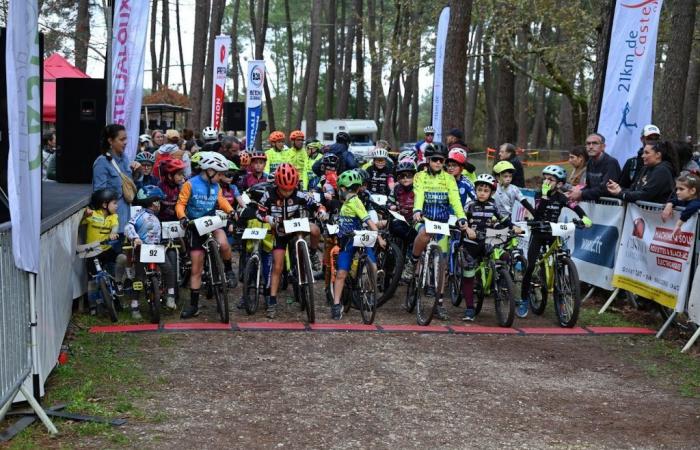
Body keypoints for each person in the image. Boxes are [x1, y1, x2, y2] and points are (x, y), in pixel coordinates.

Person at [254, 164, 327, 318]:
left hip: (296, 228)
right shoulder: (269, 195)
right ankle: (272, 302)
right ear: (277, 185)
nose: (287, 192)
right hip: (280, 232)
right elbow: (259, 212)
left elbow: (316, 205)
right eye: (283, 189)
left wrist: (321, 211)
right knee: (278, 267)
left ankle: (313, 254)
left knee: (315, 230)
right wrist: (268, 218)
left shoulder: (300, 194)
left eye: (290, 189)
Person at [521, 165, 592, 317]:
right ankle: (524, 299)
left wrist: (584, 217)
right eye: (545, 178)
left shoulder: (561, 197)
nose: (546, 181)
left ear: (559, 184)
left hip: (553, 231)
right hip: (538, 232)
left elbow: (574, 206)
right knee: (531, 265)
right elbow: (538, 213)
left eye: (551, 179)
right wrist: (545, 196)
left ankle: (560, 285)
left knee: (563, 254)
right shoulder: (540, 194)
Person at [411, 143, 469, 320]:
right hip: (425, 219)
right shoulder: (420, 176)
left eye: (441, 160)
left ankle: (440, 303)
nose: (438, 162)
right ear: (428, 160)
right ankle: (414, 258)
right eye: (434, 159)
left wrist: (461, 217)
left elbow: (455, 200)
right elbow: (419, 193)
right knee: (425, 234)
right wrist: (417, 210)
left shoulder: (449, 179)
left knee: (442, 265)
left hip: (442, 223)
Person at [176, 152, 237, 319]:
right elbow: (181, 203)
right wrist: (182, 217)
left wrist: (231, 211)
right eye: (220, 174)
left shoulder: (216, 186)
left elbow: (222, 200)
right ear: (209, 171)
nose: (222, 177)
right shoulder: (190, 184)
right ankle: (194, 305)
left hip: (211, 221)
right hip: (195, 225)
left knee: (224, 244)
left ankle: (229, 271)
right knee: (196, 267)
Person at [461, 174, 522, 321]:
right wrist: (467, 229)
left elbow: (504, 219)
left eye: (486, 190)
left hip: (489, 237)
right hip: (472, 241)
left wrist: (514, 227)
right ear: (475, 190)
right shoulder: (469, 205)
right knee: (468, 273)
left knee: (505, 256)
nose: (482, 193)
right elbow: (461, 220)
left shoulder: (493, 205)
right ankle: (469, 308)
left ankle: (503, 284)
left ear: (492, 193)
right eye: (479, 189)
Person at [331, 170, 386, 320]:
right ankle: (338, 303)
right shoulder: (347, 202)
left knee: (342, 272)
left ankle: (339, 302)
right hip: (350, 239)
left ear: (342, 189)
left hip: (356, 238)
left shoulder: (354, 201)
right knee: (344, 272)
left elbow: (368, 221)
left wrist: (379, 237)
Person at [125, 185, 177, 318]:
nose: (159, 205)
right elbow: (128, 226)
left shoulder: (155, 216)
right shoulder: (140, 215)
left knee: (168, 269)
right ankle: (134, 306)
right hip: (142, 249)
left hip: (155, 249)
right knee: (139, 278)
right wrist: (135, 238)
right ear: (153, 203)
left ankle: (170, 296)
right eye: (158, 202)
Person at [82, 189, 127, 315]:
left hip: (106, 250)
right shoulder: (93, 215)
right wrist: (85, 214)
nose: (117, 206)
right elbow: (82, 219)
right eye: (114, 203)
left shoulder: (113, 216)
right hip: (92, 252)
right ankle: (92, 306)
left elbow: (115, 226)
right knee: (92, 280)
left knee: (122, 258)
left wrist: (113, 233)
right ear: (104, 205)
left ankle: (118, 283)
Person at [92, 124, 140, 233]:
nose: (125, 142)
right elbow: (99, 194)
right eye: (122, 139)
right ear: (110, 141)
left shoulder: (125, 158)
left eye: (126, 139)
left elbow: (131, 183)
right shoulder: (101, 162)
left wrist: (137, 171)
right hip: (113, 225)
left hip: (127, 218)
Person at [606, 141, 677, 204]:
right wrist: (619, 189)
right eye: (643, 153)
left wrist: (621, 194)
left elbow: (646, 195)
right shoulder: (645, 168)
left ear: (658, 155)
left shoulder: (662, 170)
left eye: (647, 153)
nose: (643, 156)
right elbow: (633, 190)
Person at [567, 133, 621, 202]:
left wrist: (581, 193)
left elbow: (606, 189)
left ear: (603, 147)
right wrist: (573, 193)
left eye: (595, 143)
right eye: (588, 144)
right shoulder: (590, 162)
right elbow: (588, 186)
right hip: (594, 204)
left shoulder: (611, 162)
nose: (591, 146)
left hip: (611, 205)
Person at [388, 159, 418, 280]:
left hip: (415, 221)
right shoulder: (396, 188)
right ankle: (393, 261)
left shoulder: (418, 188)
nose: (405, 179)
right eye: (402, 176)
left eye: (409, 176)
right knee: (393, 228)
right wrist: (391, 206)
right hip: (401, 220)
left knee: (414, 239)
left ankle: (409, 265)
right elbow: (389, 201)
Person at [619, 124, 661, 189]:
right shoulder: (632, 163)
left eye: (656, 139)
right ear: (642, 139)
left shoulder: (663, 162)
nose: (653, 141)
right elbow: (622, 187)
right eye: (649, 138)